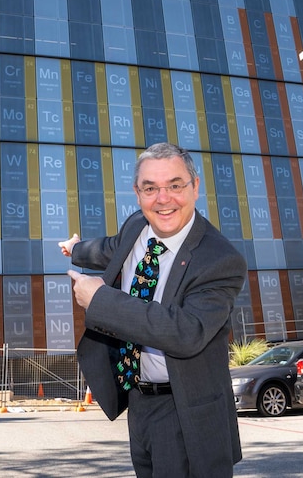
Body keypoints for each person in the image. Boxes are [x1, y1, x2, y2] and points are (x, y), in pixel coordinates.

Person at [60, 142, 247, 477]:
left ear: (195, 187)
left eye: (175, 185)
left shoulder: (220, 259)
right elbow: (111, 249)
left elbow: (185, 331)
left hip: (186, 412)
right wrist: (76, 249)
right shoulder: (137, 226)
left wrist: (100, 300)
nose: (163, 199)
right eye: (150, 188)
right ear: (137, 192)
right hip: (138, 402)